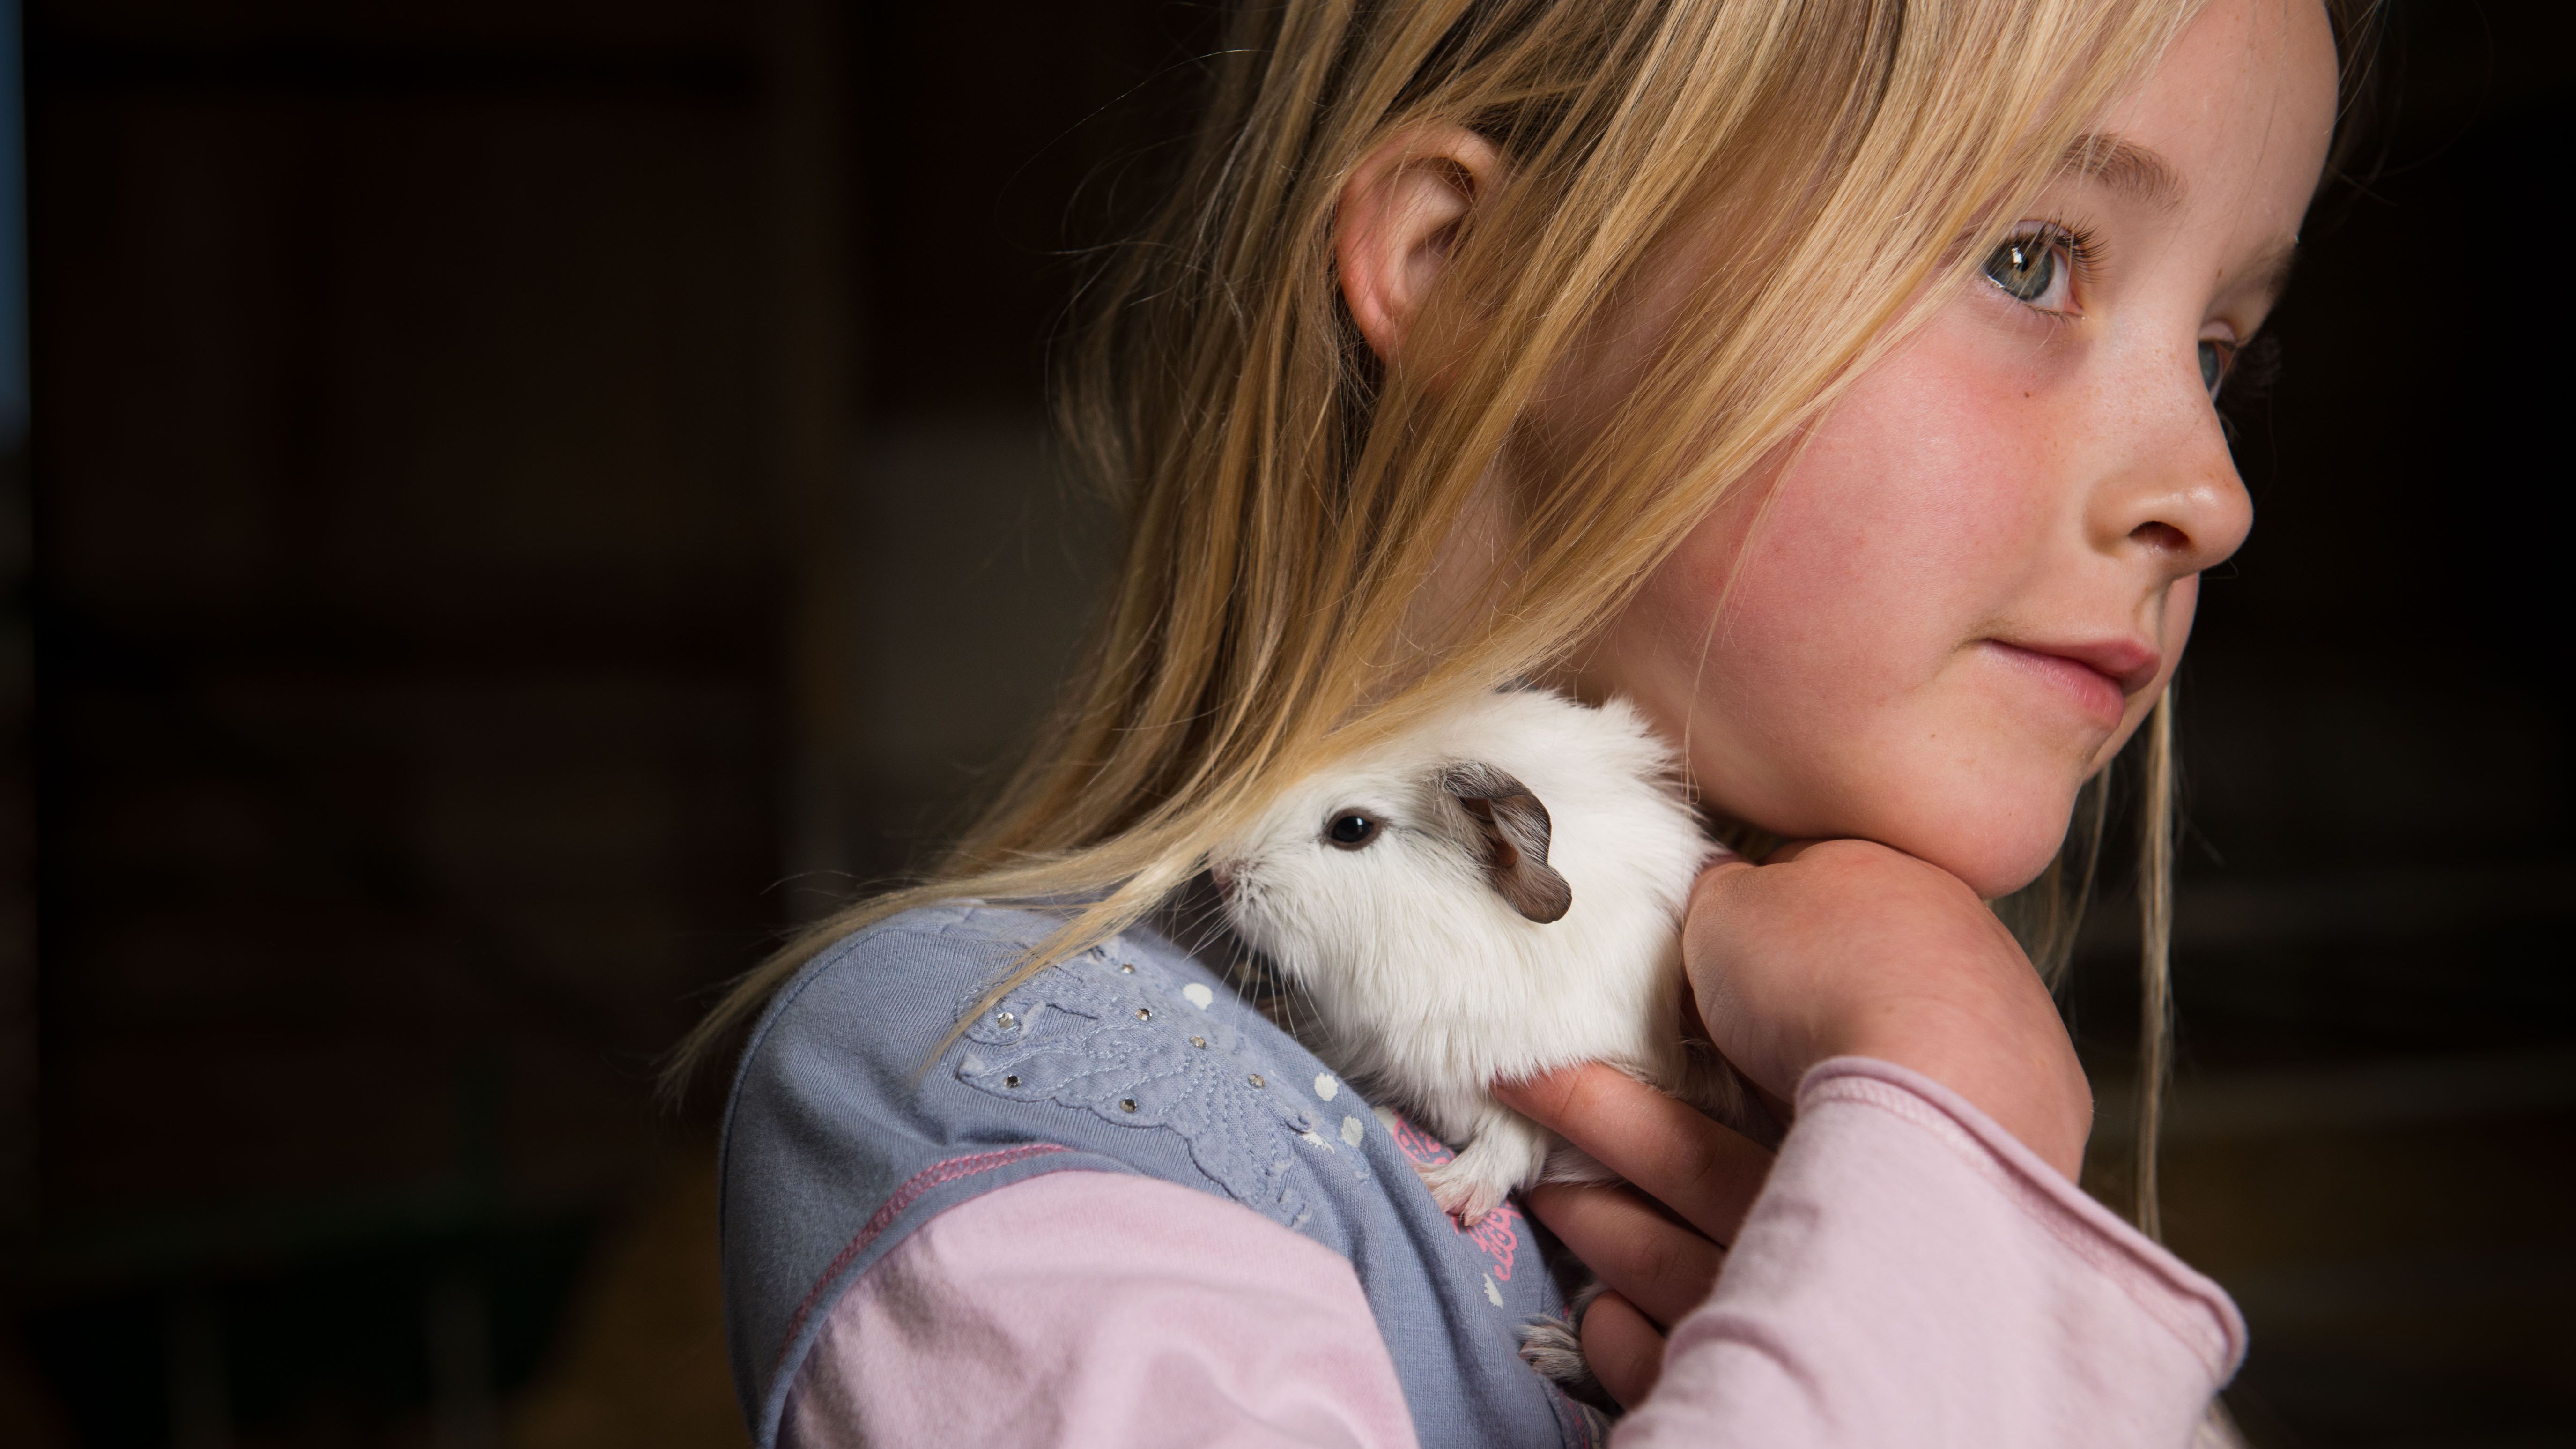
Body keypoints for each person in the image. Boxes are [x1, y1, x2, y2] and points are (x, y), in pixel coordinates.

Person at [675, 0, 2371, 1442]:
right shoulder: (993, 1103)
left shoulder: (1833, 1119)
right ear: (1473, 269)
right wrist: (1954, 1151)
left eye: (2221, 348)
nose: (2209, 495)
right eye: (2031, 259)